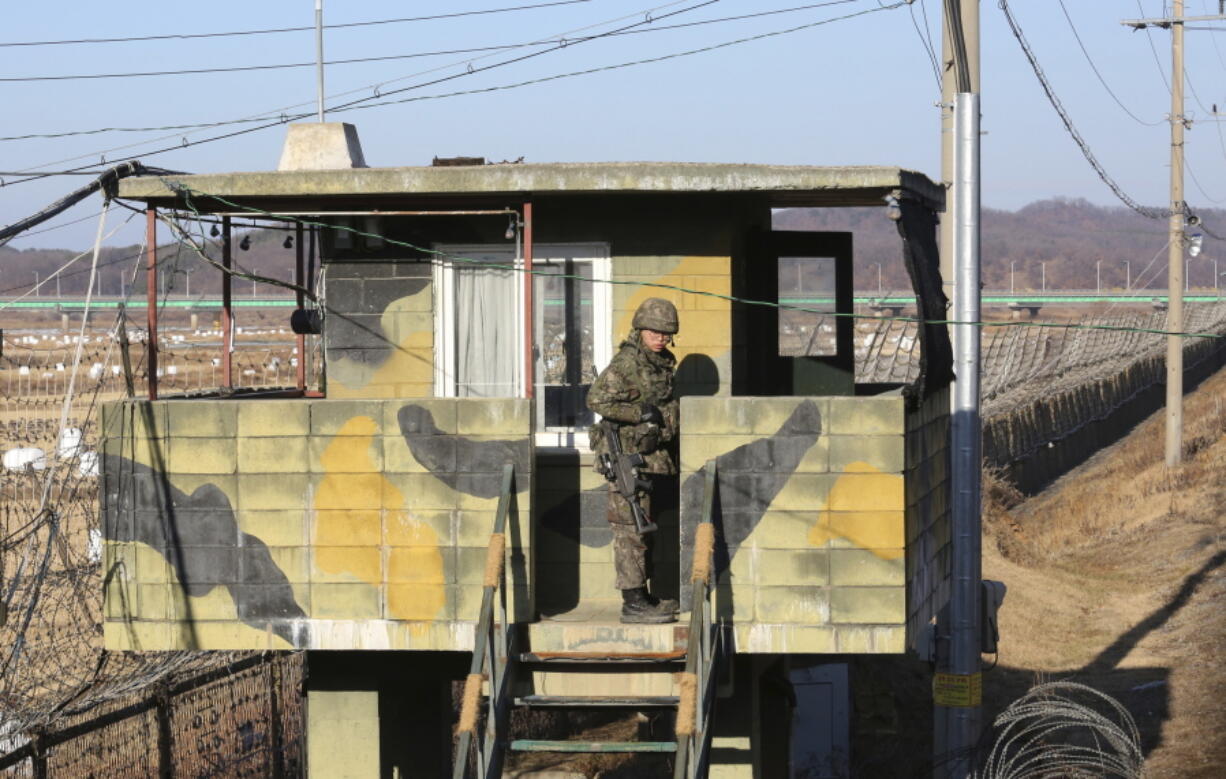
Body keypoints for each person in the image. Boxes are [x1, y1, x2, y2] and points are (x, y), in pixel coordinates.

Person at [587, 297, 681, 624]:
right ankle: (633, 602)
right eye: (654, 331)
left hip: (650, 458)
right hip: (627, 459)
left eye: (666, 333)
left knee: (645, 530)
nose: (660, 338)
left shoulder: (661, 362)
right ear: (640, 330)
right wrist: (637, 413)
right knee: (630, 531)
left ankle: (643, 596)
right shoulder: (627, 363)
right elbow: (597, 399)